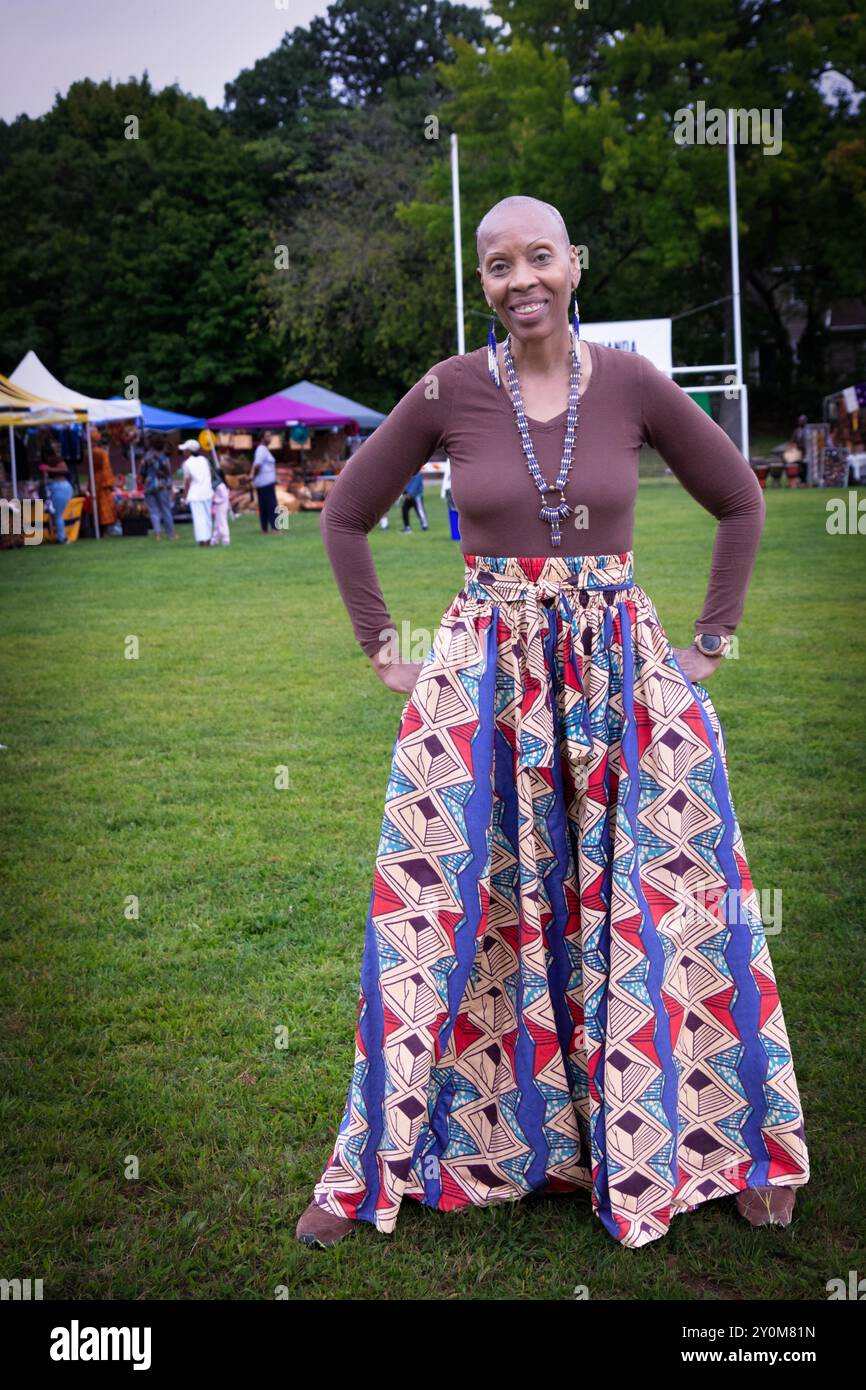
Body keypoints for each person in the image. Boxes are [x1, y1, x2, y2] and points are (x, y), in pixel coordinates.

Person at [298, 196, 810, 1253]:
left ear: (572, 263)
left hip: (619, 676)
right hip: (484, 677)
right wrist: (382, 651)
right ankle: (415, 1147)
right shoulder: (446, 387)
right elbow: (345, 512)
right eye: (497, 264)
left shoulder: (628, 381)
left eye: (538, 256)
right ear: (480, 281)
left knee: (658, 898)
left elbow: (738, 498)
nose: (519, 278)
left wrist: (708, 641)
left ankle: (724, 1145)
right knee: (448, 900)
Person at [139, 434, 177, 539]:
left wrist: (142, 482)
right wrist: (171, 487)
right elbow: (168, 473)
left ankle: (157, 534)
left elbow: (142, 471)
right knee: (166, 509)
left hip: (149, 485)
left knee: (153, 510)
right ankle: (171, 534)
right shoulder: (165, 457)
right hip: (162, 485)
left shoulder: (146, 456)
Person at [40, 436, 74, 544]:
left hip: (60, 487)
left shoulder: (56, 459)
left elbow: (64, 469)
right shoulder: (50, 461)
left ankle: (62, 538)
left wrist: (48, 469)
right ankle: (59, 536)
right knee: (56, 514)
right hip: (60, 487)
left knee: (57, 514)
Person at [179, 439, 213, 545]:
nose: (184, 452)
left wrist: (184, 497)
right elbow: (209, 475)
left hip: (195, 494)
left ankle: (202, 540)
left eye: (185, 450)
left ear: (189, 451)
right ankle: (207, 539)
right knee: (207, 516)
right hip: (207, 492)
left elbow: (187, 482)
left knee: (199, 518)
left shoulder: (187, 463)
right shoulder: (204, 460)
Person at [90, 428, 123, 536]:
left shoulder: (93, 452)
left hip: (96, 480)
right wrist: (110, 482)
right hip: (102, 481)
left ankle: (100, 529)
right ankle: (104, 528)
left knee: (99, 505)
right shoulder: (100, 452)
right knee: (104, 505)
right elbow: (106, 468)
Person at [249, 430, 279, 533]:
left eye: (270, 435)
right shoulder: (261, 449)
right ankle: (275, 529)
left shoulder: (264, 449)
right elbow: (257, 464)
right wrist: (252, 475)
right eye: (267, 436)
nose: (270, 438)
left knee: (264, 506)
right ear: (262, 438)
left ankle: (264, 529)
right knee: (271, 505)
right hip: (265, 483)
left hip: (263, 483)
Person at [209, 455, 231, 546]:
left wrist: (215, 499)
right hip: (218, 505)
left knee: (221, 522)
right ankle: (215, 539)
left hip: (221, 505)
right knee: (217, 523)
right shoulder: (218, 485)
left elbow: (224, 497)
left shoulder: (221, 486)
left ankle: (226, 539)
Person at [399, 469, 429, 533]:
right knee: (404, 509)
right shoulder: (407, 472)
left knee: (420, 510)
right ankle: (407, 527)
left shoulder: (417, 473)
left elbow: (416, 484)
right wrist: (404, 493)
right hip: (408, 496)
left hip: (416, 496)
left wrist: (410, 493)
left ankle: (425, 525)